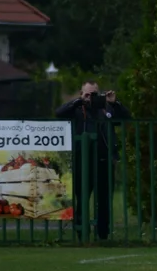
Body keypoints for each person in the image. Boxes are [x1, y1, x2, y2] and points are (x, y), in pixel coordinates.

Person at [55, 80, 130, 240]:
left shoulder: (106, 109)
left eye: (94, 94)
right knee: (82, 198)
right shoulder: (76, 109)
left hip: (104, 159)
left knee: (103, 198)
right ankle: (81, 231)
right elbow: (59, 113)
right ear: (81, 94)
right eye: (87, 94)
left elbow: (126, 117)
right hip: (82, 160)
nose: (90, 98)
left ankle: (103, 233)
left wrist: (114, 102)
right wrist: (77, 102)